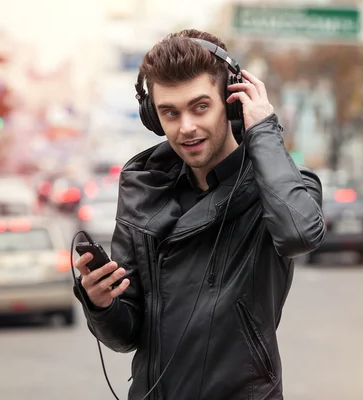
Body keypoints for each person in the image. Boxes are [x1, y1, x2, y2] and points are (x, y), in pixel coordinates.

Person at [74, 29, 326, 400]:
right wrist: (102, 303)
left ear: (232, 102)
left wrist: (264, 129)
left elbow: (300, 234)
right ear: (153, 117)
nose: (186, 127)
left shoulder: (282, 188)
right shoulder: (143, 193)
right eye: (170, 113)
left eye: (200, 106)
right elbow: (126, 335)